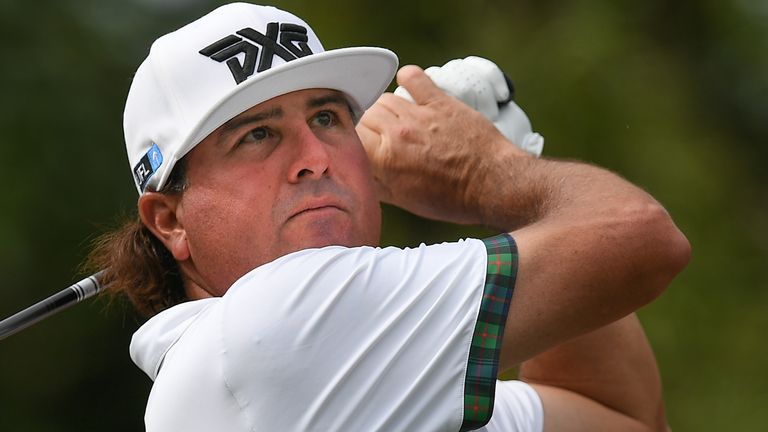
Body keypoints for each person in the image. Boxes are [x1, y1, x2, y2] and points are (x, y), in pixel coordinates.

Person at [85, 3, 690, 431]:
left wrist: (510, 180)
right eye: (257, 135)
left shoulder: (372, 378)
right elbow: (643, 238)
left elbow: (621, 417)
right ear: (170, 221)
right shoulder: (267, 323)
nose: (316, 157)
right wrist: (494, 173)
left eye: (326, 118)